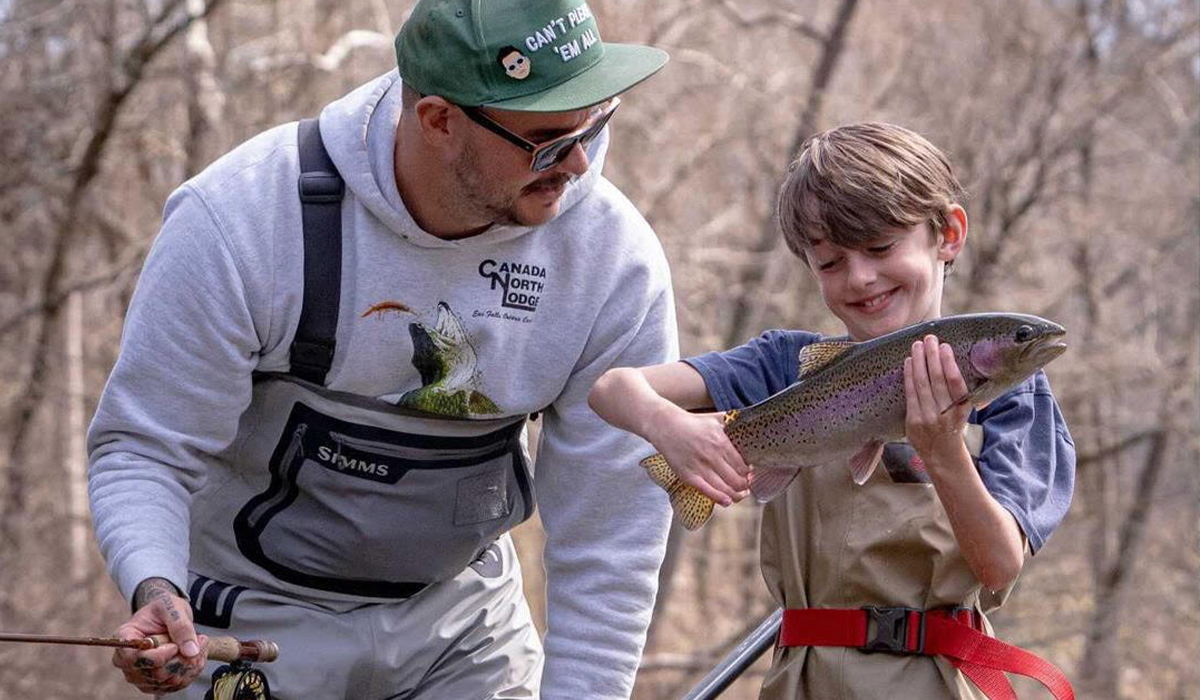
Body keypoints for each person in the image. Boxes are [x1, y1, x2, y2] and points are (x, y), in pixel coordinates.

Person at [87, 1, 678, 697]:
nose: (578, 164)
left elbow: (611, 538)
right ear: (438, 121)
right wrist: (154, 582)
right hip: (251, 622)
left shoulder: (613, 265)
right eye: (545, 141)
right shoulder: (242, 220)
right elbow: (147, 447)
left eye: (594, 124)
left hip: (462, 627)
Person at [588, 122, 1076, 700]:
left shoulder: (1013, 397)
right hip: (803, 683)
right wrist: (672, 428)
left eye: (879, 248)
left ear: (948, 234)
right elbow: (613, 389)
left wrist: (942, 447)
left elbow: (999, 567)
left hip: (938, 683)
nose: (861, 278)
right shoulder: (786, 364)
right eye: (830, 263)